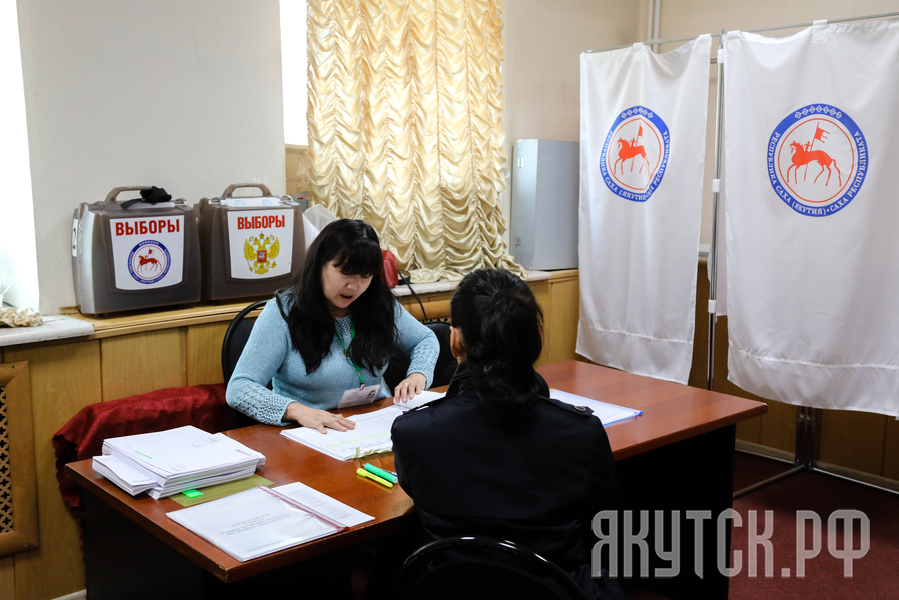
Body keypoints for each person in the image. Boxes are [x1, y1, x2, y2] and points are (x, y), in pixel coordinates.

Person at [391, 269, 626, 600]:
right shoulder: (581, 433)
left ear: (455, 340)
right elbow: (605, 524)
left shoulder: (412, 433)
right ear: (538, 336)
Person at [227, 219, 439, 431]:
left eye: (365, 276)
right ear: (320, 264)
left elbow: (425, 339)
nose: (354, 286)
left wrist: (418, 373)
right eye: (345, 272)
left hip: (375, 424)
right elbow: (239, 388)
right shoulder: (283, 312)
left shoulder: (378, 304)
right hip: (310, 433)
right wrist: (297, 410)